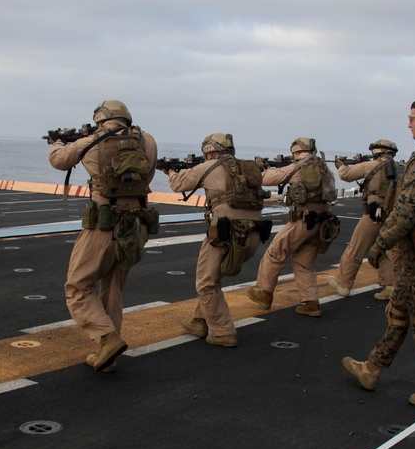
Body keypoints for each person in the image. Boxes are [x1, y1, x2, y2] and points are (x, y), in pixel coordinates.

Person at [341, 95, 415, 412]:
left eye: (412, 117)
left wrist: (380, 244)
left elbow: (407, 211)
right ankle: (371, 369)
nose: (408, 123)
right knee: (399, 312)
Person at [49, 100, 158, 372]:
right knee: (113, 286)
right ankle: (107, 355)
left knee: (77, 287)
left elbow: (59, 160)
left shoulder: (91, 141)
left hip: (104, 225)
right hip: (136, 224)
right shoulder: (148, 141)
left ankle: (107, 338)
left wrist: (57, 142)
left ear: (100, 120)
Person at [166, 133, 270, 347]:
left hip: (225, 236)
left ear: (211, 151)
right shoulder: (245, 167)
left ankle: (223, 332)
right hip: (252, 235)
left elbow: (178, 184)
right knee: (212, 280)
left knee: (206, 284)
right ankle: (199, 321)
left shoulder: (211, 166)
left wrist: (170, 171)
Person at [247, 137, 337, 317]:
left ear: (296, 151)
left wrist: (262, 169)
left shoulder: (298, 167)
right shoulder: (324, 168)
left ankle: (264, 292)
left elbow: (268, 178)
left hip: (303, 220)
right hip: (322, 222)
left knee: (275, 252)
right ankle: (311, 302)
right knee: (304, 264)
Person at [327, 139, 402, 300]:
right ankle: (391, 284)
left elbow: (346, 175)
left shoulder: (372, 165)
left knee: (356, 248)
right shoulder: (400, 168)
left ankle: (344, 283)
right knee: (380, 249)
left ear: (377, 152)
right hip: (392, 215)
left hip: (374, 214)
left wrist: (341, 165)